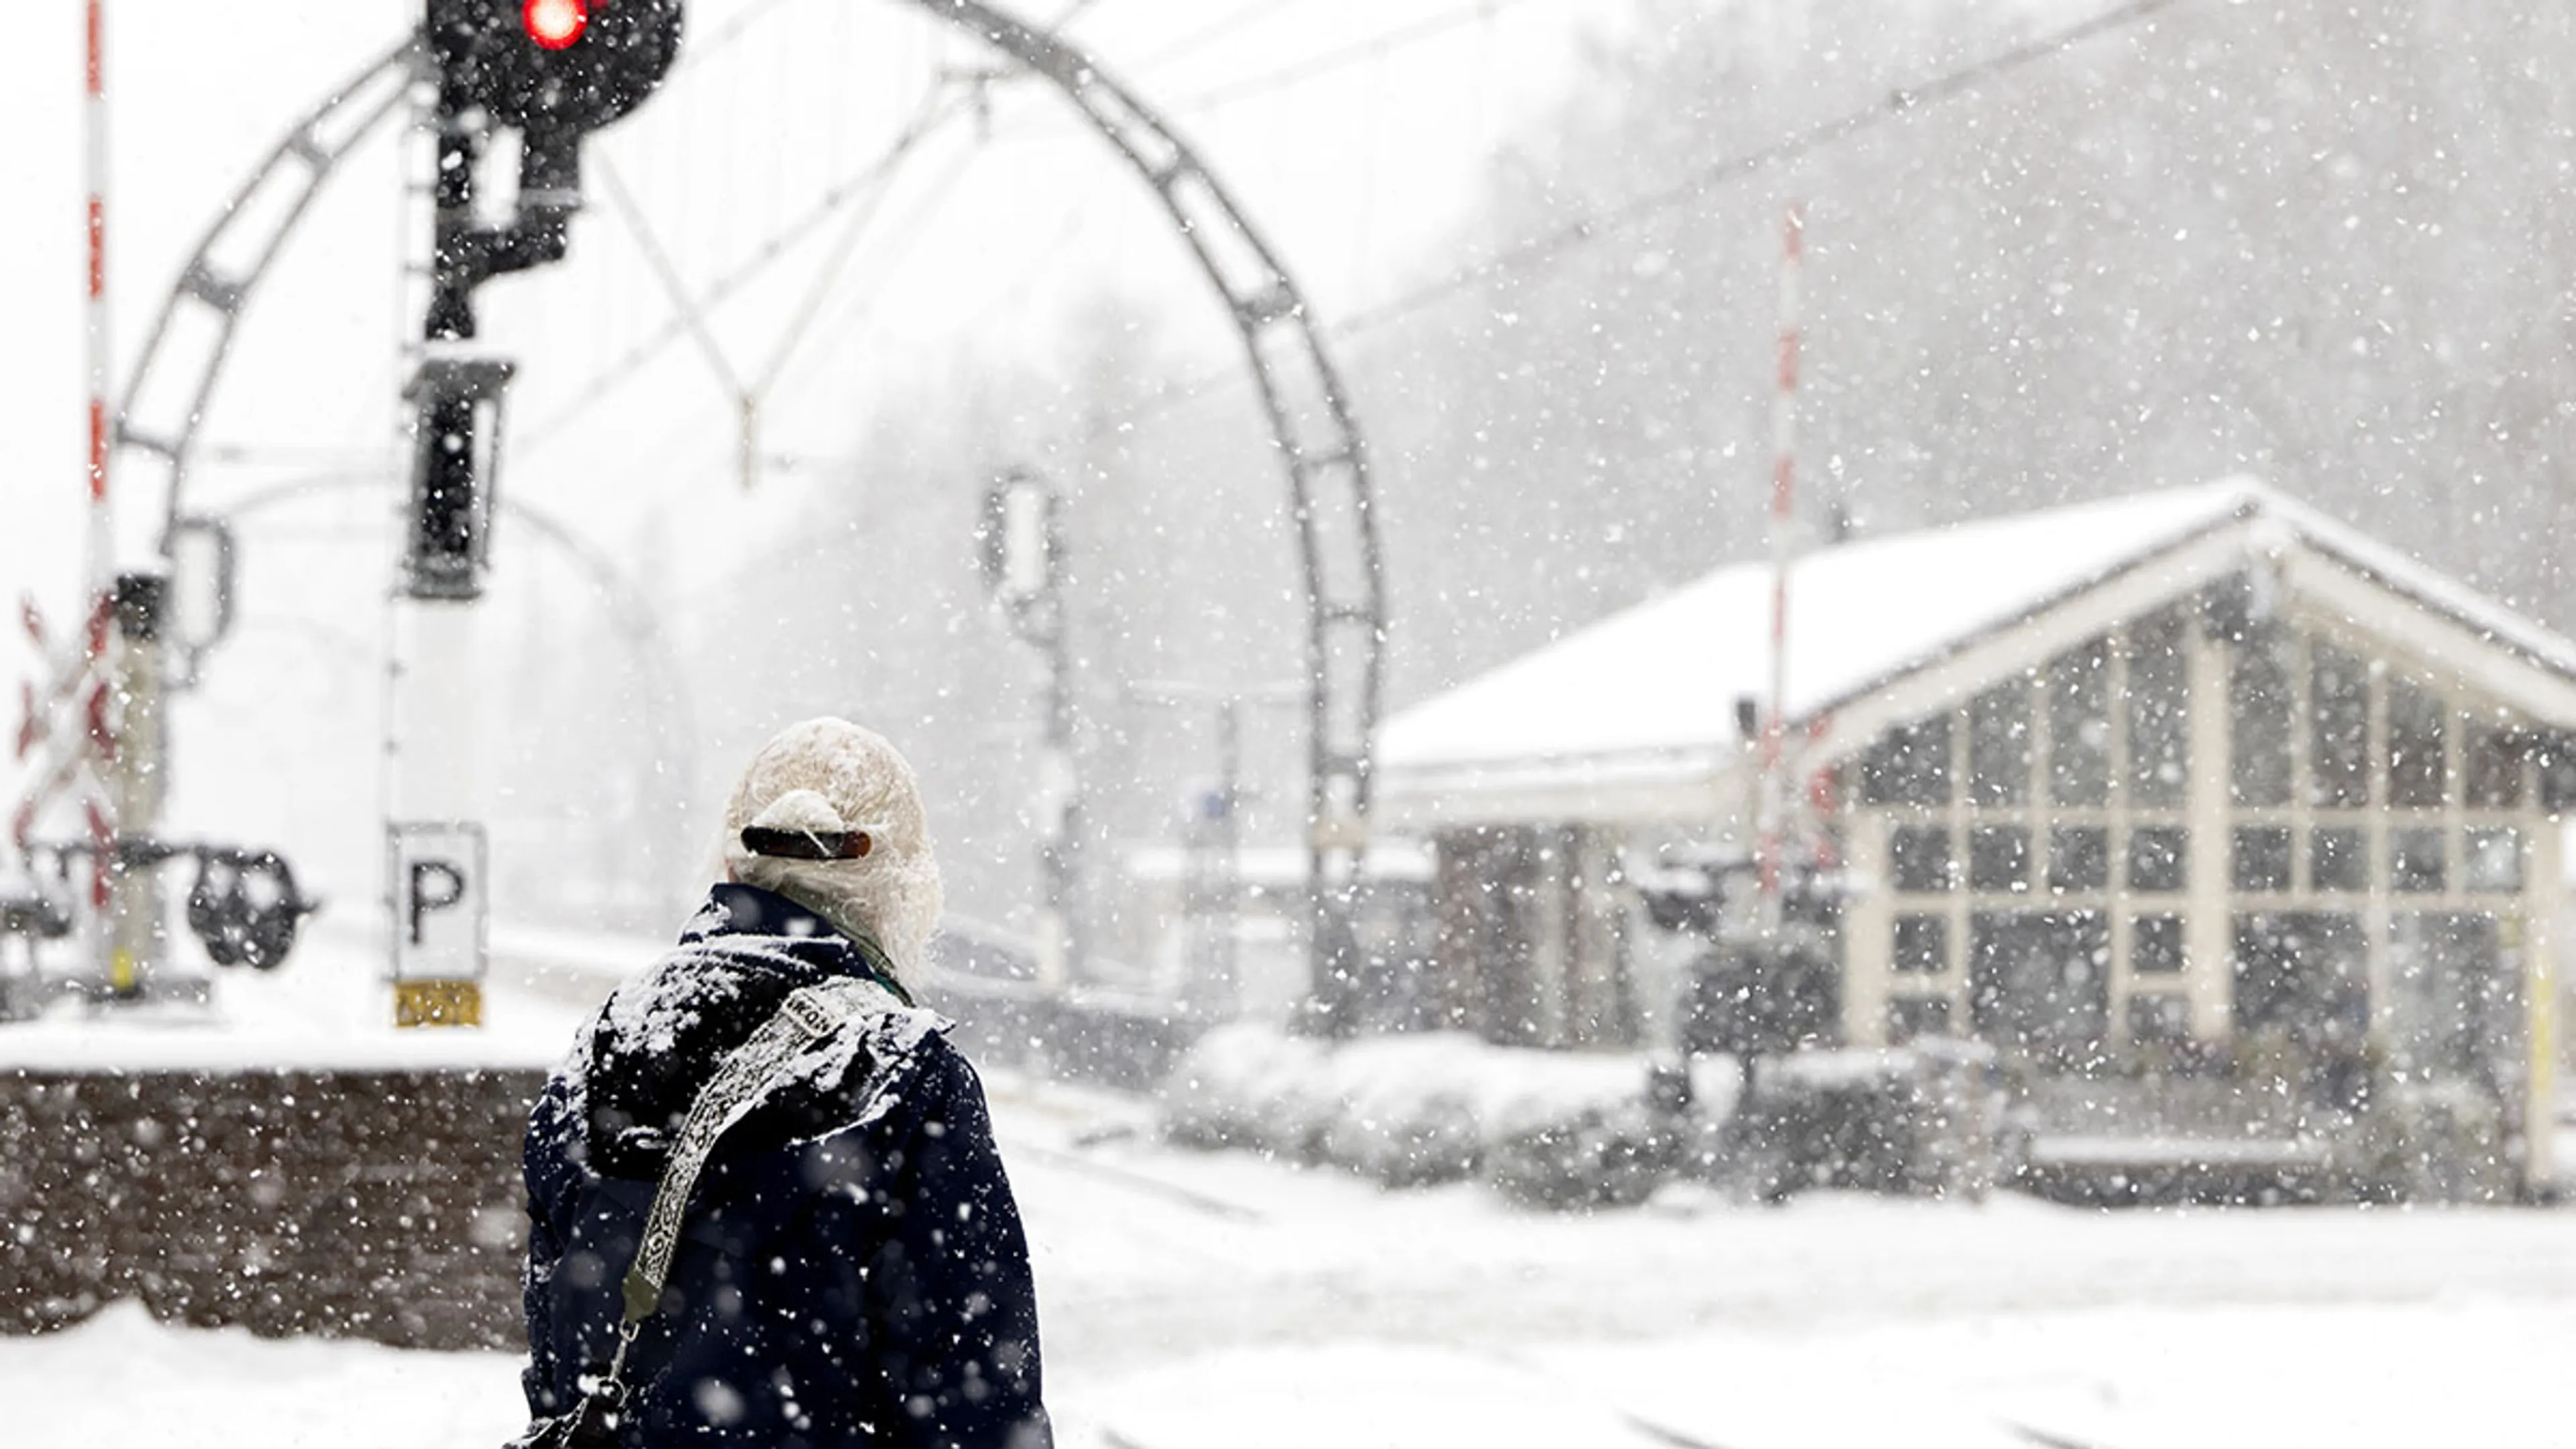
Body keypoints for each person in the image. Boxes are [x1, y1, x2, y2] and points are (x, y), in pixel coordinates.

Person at [520, 717, 1052, 1448]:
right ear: (896, 884)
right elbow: (975, 1402)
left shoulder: (608, 1040)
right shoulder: (902, 1072)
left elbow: (558, 1362)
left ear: (733, 865)